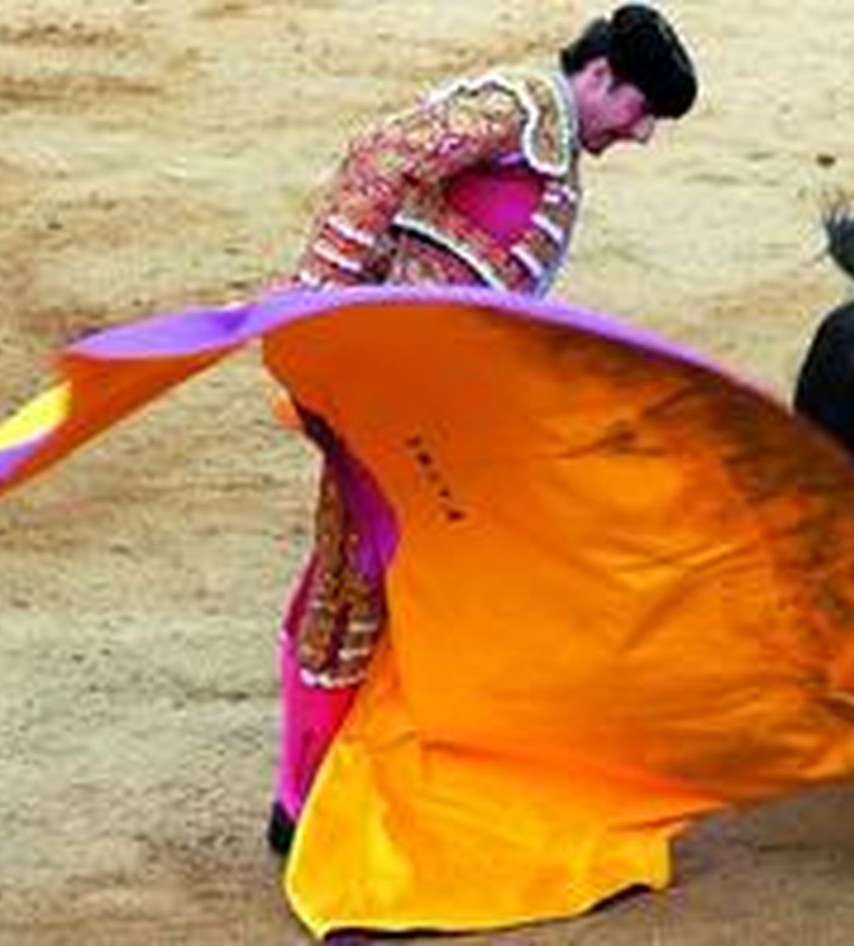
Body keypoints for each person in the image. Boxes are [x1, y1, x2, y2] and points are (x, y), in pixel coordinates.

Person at [268, 4, 699, 855]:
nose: (643, 135)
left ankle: (377, 782)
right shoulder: (517, 108)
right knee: (355, 577)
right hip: (383, 390)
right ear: (601, 76)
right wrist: (318, 311)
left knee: (401, 576)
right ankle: (301, 803)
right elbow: (377, 158)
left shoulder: (558, 152)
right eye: (641, 111)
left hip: (438, 404)